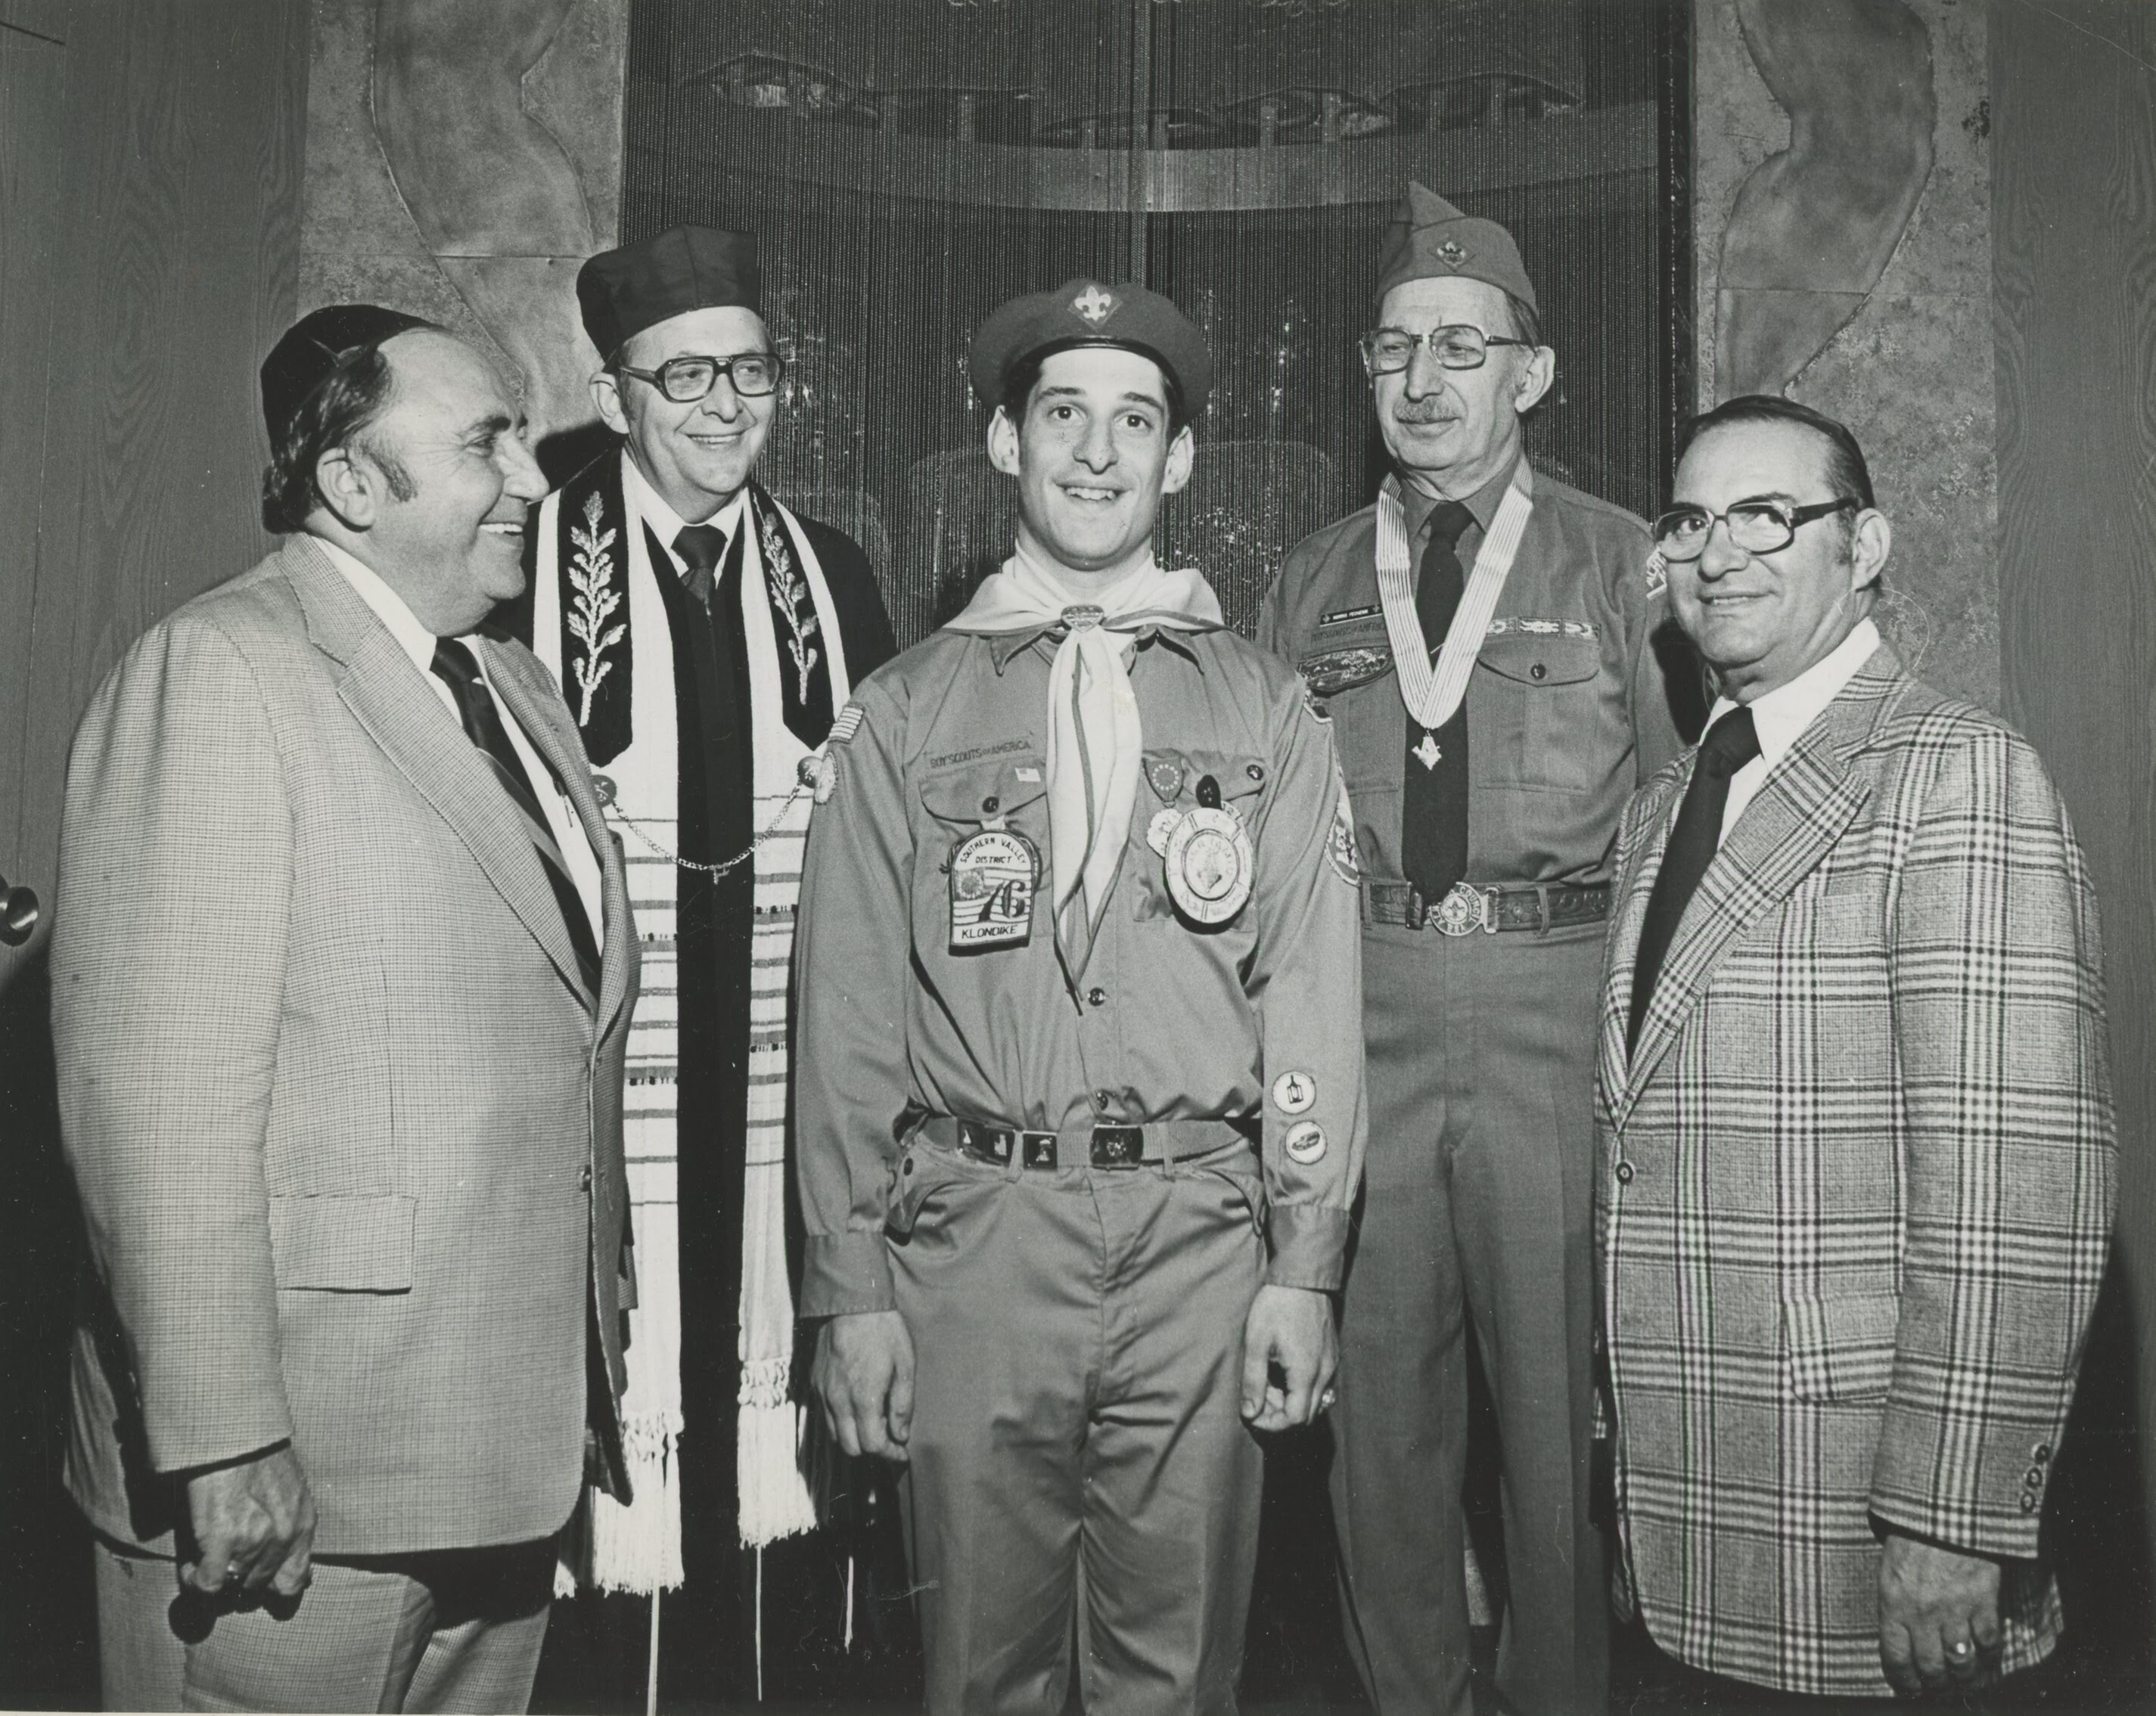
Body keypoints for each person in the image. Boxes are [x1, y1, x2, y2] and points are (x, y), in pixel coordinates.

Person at [50, 304, 638, 1713]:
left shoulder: (509, 685)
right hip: (296, 1484)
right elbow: (157, 1098)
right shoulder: (220, 672)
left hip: (493, 1459)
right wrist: (224, 1441)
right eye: (487, 442)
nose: (533, 480)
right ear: (353, 484)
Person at [794, 278, 1367, 1714]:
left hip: (1198, 1244)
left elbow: (1308, 995)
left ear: (1180, 461)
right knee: (976, 1667)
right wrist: (846, 1283)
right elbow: (849, 1016)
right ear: (1004, 444)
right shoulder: (907, 708)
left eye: (1135, 422)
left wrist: (1304, 1264)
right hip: (976, 1244)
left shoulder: (1263, 708)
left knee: (1176, 1675)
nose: (1097, 454)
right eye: (1063, 416)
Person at [1599, 394, 2116, 1702]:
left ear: (1865, 543)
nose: (1721, 552)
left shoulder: (1955, 774)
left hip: (1861, 1515)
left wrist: (1952, 1515)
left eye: (1771, 512)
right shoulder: (1666, 809)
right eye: (1692, 519)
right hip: (1695, 1504)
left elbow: (2014, 1192)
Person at [1259, 182, 1688, 1715]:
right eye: (1391, 351)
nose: (1422, 382)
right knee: (1379, 1427)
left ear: (1534, 371)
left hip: (1553, 1017)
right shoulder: (1306, 584)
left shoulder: (1629, 566)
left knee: (1557, 1416)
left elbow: (1678, 824)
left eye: (1459, 346)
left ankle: (1563, 1692)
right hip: (1360, 1013)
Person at [510, 222, 897, 1706]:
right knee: (594, 1502)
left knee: (770, 1490)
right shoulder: (526, 562)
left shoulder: (835, 578)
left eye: (752, 371)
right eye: (685, 378)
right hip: (600, 1105)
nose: (726, 406)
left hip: (780, 1099)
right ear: (614, 397)